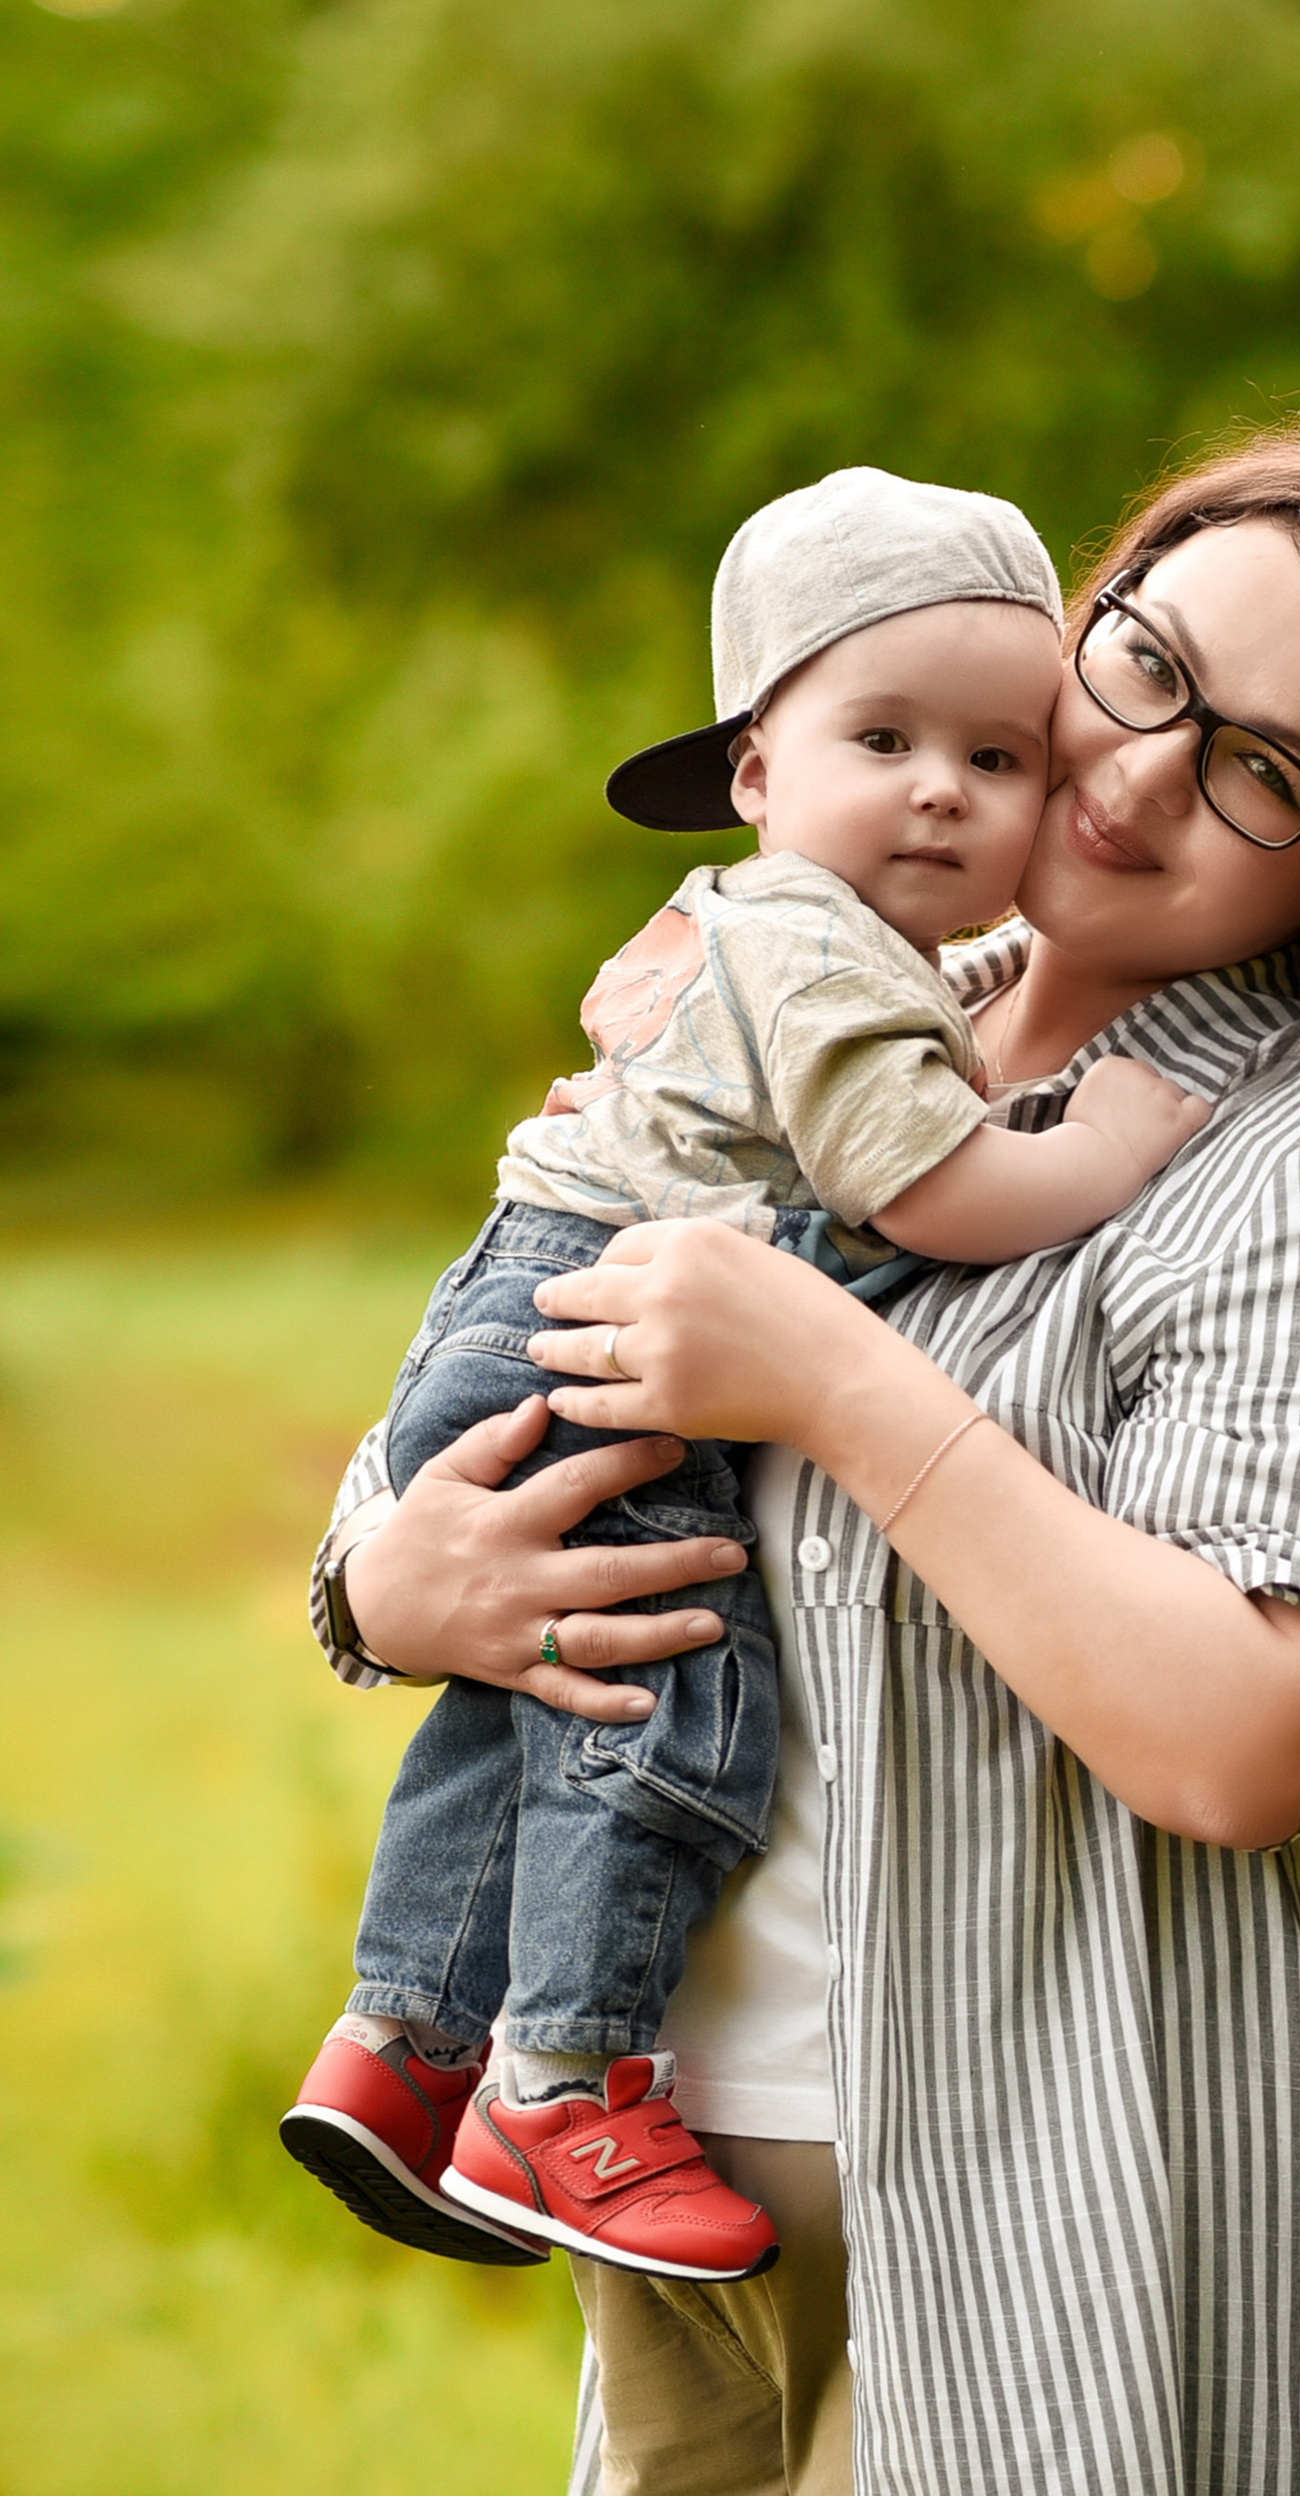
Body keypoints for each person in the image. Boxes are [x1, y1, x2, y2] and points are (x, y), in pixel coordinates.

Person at [305, 428, 1300, 2496]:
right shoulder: (787, 1006)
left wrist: (836, 1379)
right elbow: (504, 1341)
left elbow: (1249, 1734)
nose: (1140, 773)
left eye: (1267, 770)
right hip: (676, 2161)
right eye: (1141, 666)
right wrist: (386, 1576)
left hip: (1063, 2224)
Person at [283, 467, 1208, 2285]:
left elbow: (889, 1057)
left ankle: (405, 2041)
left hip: (521, 1290)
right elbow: (915, 1184)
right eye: (885, 737)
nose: (945, 788)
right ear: (763, 774)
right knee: (663, 1679)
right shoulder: (811, 945)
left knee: (537, 1691)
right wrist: (1101, 1151)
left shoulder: (806, 938)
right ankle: (565, 2080)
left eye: (1000, 758)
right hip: (595, 1302)